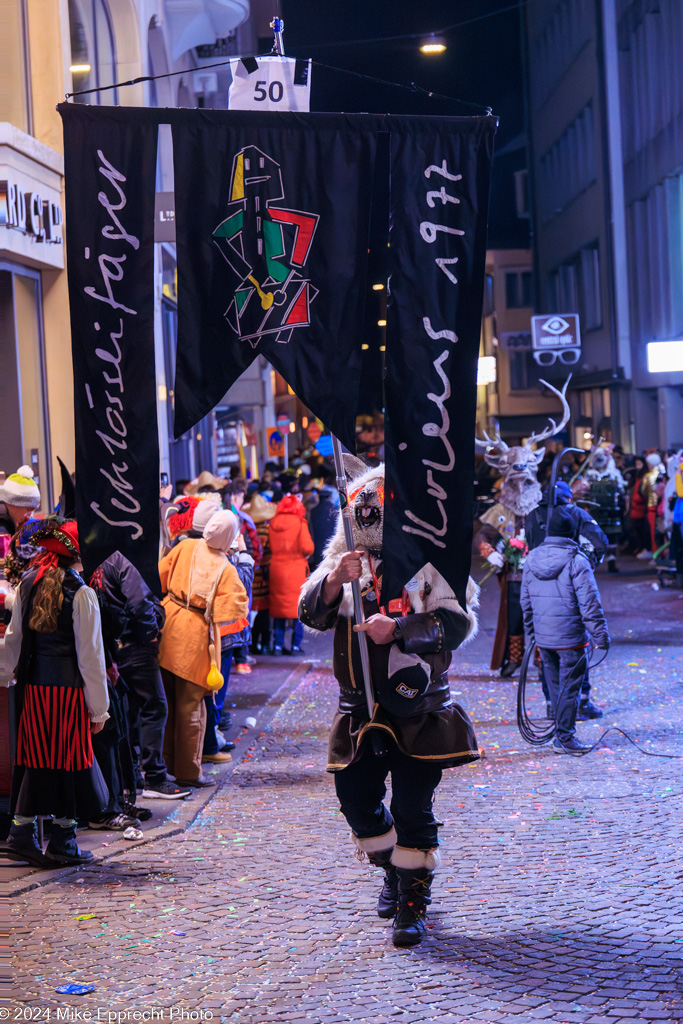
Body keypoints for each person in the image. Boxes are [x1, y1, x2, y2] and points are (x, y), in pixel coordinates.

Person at [299, 458, 479, 947]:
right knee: (355, 801)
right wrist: (335, 579)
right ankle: (393, 874)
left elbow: (458, 626)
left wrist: (398, 628)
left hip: (419, 709)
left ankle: (412, 905)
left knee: (411, 808)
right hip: (359, 708)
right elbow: (310, 613)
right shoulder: (344, 558)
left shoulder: (432, 560)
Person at [1, 519, 109, 866]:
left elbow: (13, 640)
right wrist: (99, 709)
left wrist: (5, 676)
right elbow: (90, 657)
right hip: (68, 694)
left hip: (34, 689)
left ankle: (21, 833)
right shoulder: (82, 593)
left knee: (34, 760)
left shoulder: (29, 582)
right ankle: (63, 839)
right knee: (68, 763)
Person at [158, 510, 249, 788]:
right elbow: (232, 611)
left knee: (166, 704)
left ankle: (163, 767)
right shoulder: (226, 567)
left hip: (168, 622)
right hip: (196, 635)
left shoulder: (184, 546)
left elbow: (159, 576)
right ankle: (187, 772)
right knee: (192, 709)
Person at [90, 551, 189, 804]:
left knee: (130, 711)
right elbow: (140, 601)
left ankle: (135, 777)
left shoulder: (97, 556)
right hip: (134, 642)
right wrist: (150, 632)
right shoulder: (121, 557)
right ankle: (154, 777)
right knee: (154, 707)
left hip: (111, 645)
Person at [521, 506, 610, 754]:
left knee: (557, 686)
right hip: (570, 637)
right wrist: (601, 637)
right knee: (570, 687)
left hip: (545, 638)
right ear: (572, 533)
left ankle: (561, 732)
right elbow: (590, 603)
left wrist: (533, 634)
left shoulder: (531, 559)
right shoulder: (577, 560)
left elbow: (525, 602)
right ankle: (565, 736)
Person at [269, 493, 314, 654]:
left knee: (279, 608)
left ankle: (277, 645)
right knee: (297, 608)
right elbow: (308, 547)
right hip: (295, 569)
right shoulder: (300, 523)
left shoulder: (273, 522)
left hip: (277, 568)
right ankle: (295, 645)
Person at [0, 466, 41, 623]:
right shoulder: (3, 528)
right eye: (28, 508)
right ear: (12, 502)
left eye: (34, 509)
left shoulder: (13, 525)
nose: (31, 514)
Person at [241, 493, 276, 654]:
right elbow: (270, 551)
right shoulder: (268, 529)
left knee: (250, 610)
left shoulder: (248, 528)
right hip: (264, 574)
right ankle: (265, 642)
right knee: (264, 611)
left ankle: (253, 643)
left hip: (250, 572)